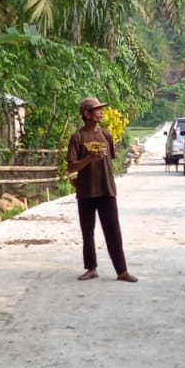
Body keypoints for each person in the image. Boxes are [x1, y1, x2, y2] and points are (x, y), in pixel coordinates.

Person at [67, 96, 137, 283]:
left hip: (107, 190)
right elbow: (71, 167)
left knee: (113, 231)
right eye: (97, 109)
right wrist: (89, 158)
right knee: (87, 232)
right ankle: (91, 268)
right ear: (86, 114)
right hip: (86, 192)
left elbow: (109, 161)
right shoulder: (78, 137)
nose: (101, 112)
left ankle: (122, 271)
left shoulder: (106, 135)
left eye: (101, 109)